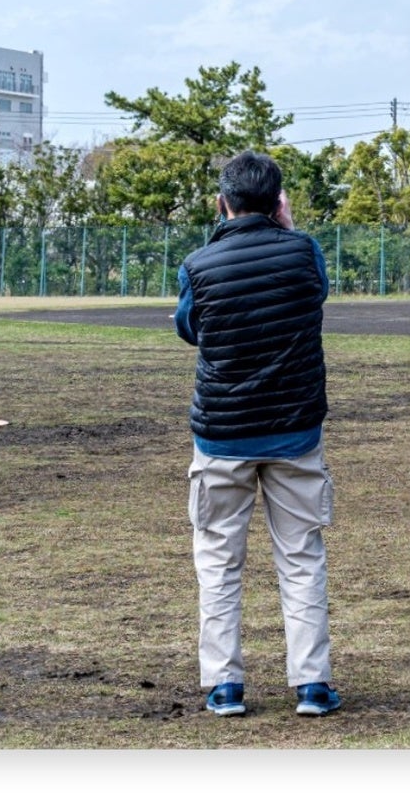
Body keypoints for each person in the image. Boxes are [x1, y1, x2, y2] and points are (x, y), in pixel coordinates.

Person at [172, 151, 341, 719]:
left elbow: (190, 330)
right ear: (278, 203)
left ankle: (224, 685)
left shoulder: (198, 264)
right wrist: (289, 230)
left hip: (222, 435)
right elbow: (316, 293)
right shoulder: (304, 252)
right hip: (295, 432)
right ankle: (312, 684)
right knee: (301, 558)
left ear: (222, 203)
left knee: (218, 561)